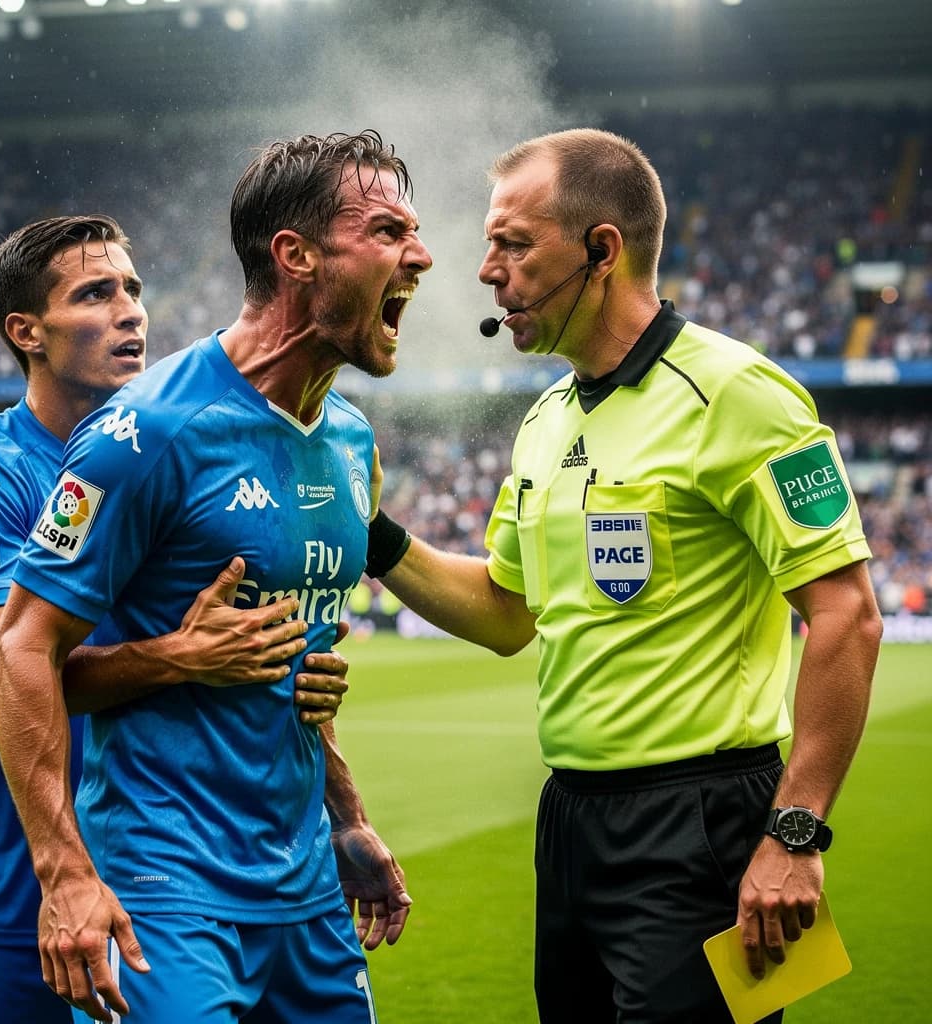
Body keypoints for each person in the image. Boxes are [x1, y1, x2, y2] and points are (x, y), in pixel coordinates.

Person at [365, 127, 882, 1023]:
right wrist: (371, 536)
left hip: (705, 824)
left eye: (515, 245)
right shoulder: (546, 418)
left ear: (602, 249)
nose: (487, 271)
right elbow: (503, 612)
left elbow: (848, 616)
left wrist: (794, 838)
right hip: (570, 820)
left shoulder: (738, 394)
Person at [0, 131, 432, 1023]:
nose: (420, 255)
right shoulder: (146, 432)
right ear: (296, 257)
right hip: (166, 892)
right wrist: (66, 877)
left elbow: (294, 657)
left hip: (307, 892)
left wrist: (345, 813)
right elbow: (18, 654)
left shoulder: (349, 442)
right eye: (387, 231)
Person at [0, 214, 351, 1024]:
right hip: (9, 883)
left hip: (153, 882)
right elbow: (1, 671)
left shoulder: (173, 454)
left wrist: (326, 756)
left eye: (133, 289)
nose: (130, 312)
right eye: (94, 293)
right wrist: (178, 655)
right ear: (27, 332)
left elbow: (252, 649)